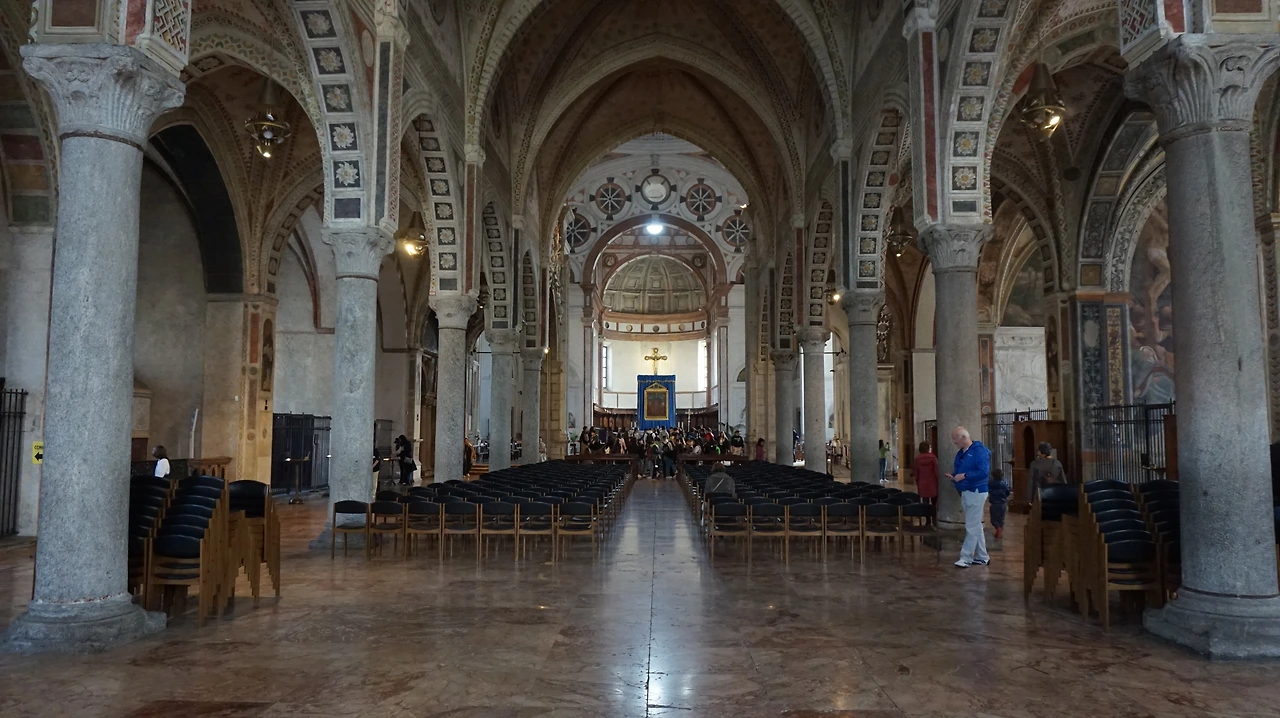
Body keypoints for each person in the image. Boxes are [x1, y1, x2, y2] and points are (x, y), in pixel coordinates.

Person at [945, 426, 990, 568]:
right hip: (966, 491)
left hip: (976, 491)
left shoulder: (979, 452)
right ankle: (982, 556)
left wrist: (964, 476)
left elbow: (983, 472)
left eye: (955, 439)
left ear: (964, 437)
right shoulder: (961, 453)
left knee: (971, 526)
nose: (954, 442)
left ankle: (966, 558)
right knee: (976, 525)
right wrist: (954, 476)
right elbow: (961, 470)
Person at [988, 468, 1011, 539]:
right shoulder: (1004, 484)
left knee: (993, 519)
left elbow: (988, 490)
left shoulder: (990, 483)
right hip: (1003, 503)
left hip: (994, 503)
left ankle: (998, 528)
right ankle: (1000, 530)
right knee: (1001, 519)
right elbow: (1008, 492)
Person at [913, 441, 938, 507]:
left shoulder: (917, 459)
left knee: (925, 503)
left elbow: (916, 473)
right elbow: (936, 471)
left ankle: (927, 513)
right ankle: (933, 513)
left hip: (922, 482)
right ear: (928, 448)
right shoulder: (933, 458)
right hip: (932, 482)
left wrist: (917, 482)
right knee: (934, 502)